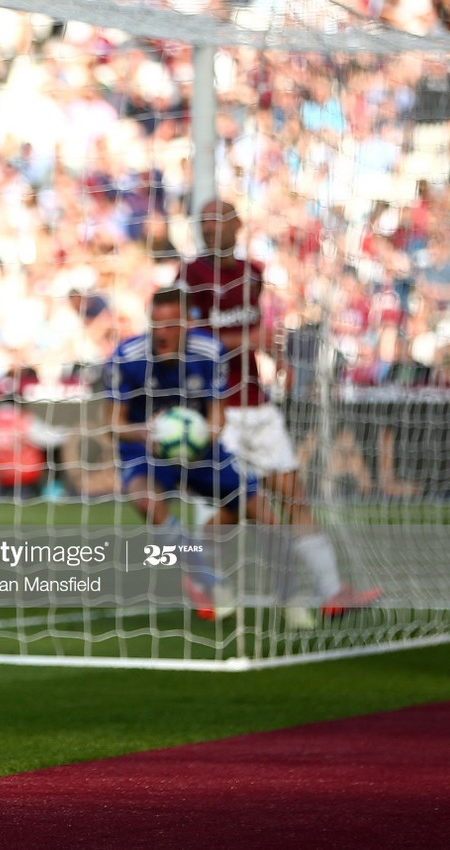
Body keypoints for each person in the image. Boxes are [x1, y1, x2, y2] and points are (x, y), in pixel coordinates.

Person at [181, 199, 380, 625]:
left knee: (294, 496)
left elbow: (257, 335)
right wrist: (249, 339)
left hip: (257, 404)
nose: (210, 229)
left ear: (237, 224)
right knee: (227, 511)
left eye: (218, 220)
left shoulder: (253, 273)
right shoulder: (190, 276)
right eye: (204, 222)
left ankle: (331, 593)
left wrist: (277, 355)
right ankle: (210, 585)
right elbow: (192, 344)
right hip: (220, 412)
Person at [102, 287, 277, 622]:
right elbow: (113, 423)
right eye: (156, 324)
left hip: (201, 448)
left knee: (261, 509)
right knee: (144, 499)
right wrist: (144, 432)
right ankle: (209, 581)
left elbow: (218, 415)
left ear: (187, 323)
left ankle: (292, 594)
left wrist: (201, 435)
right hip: (146, 447)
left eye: (171, 325)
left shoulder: (209, 351)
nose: (162, 333)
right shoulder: (127, 356)